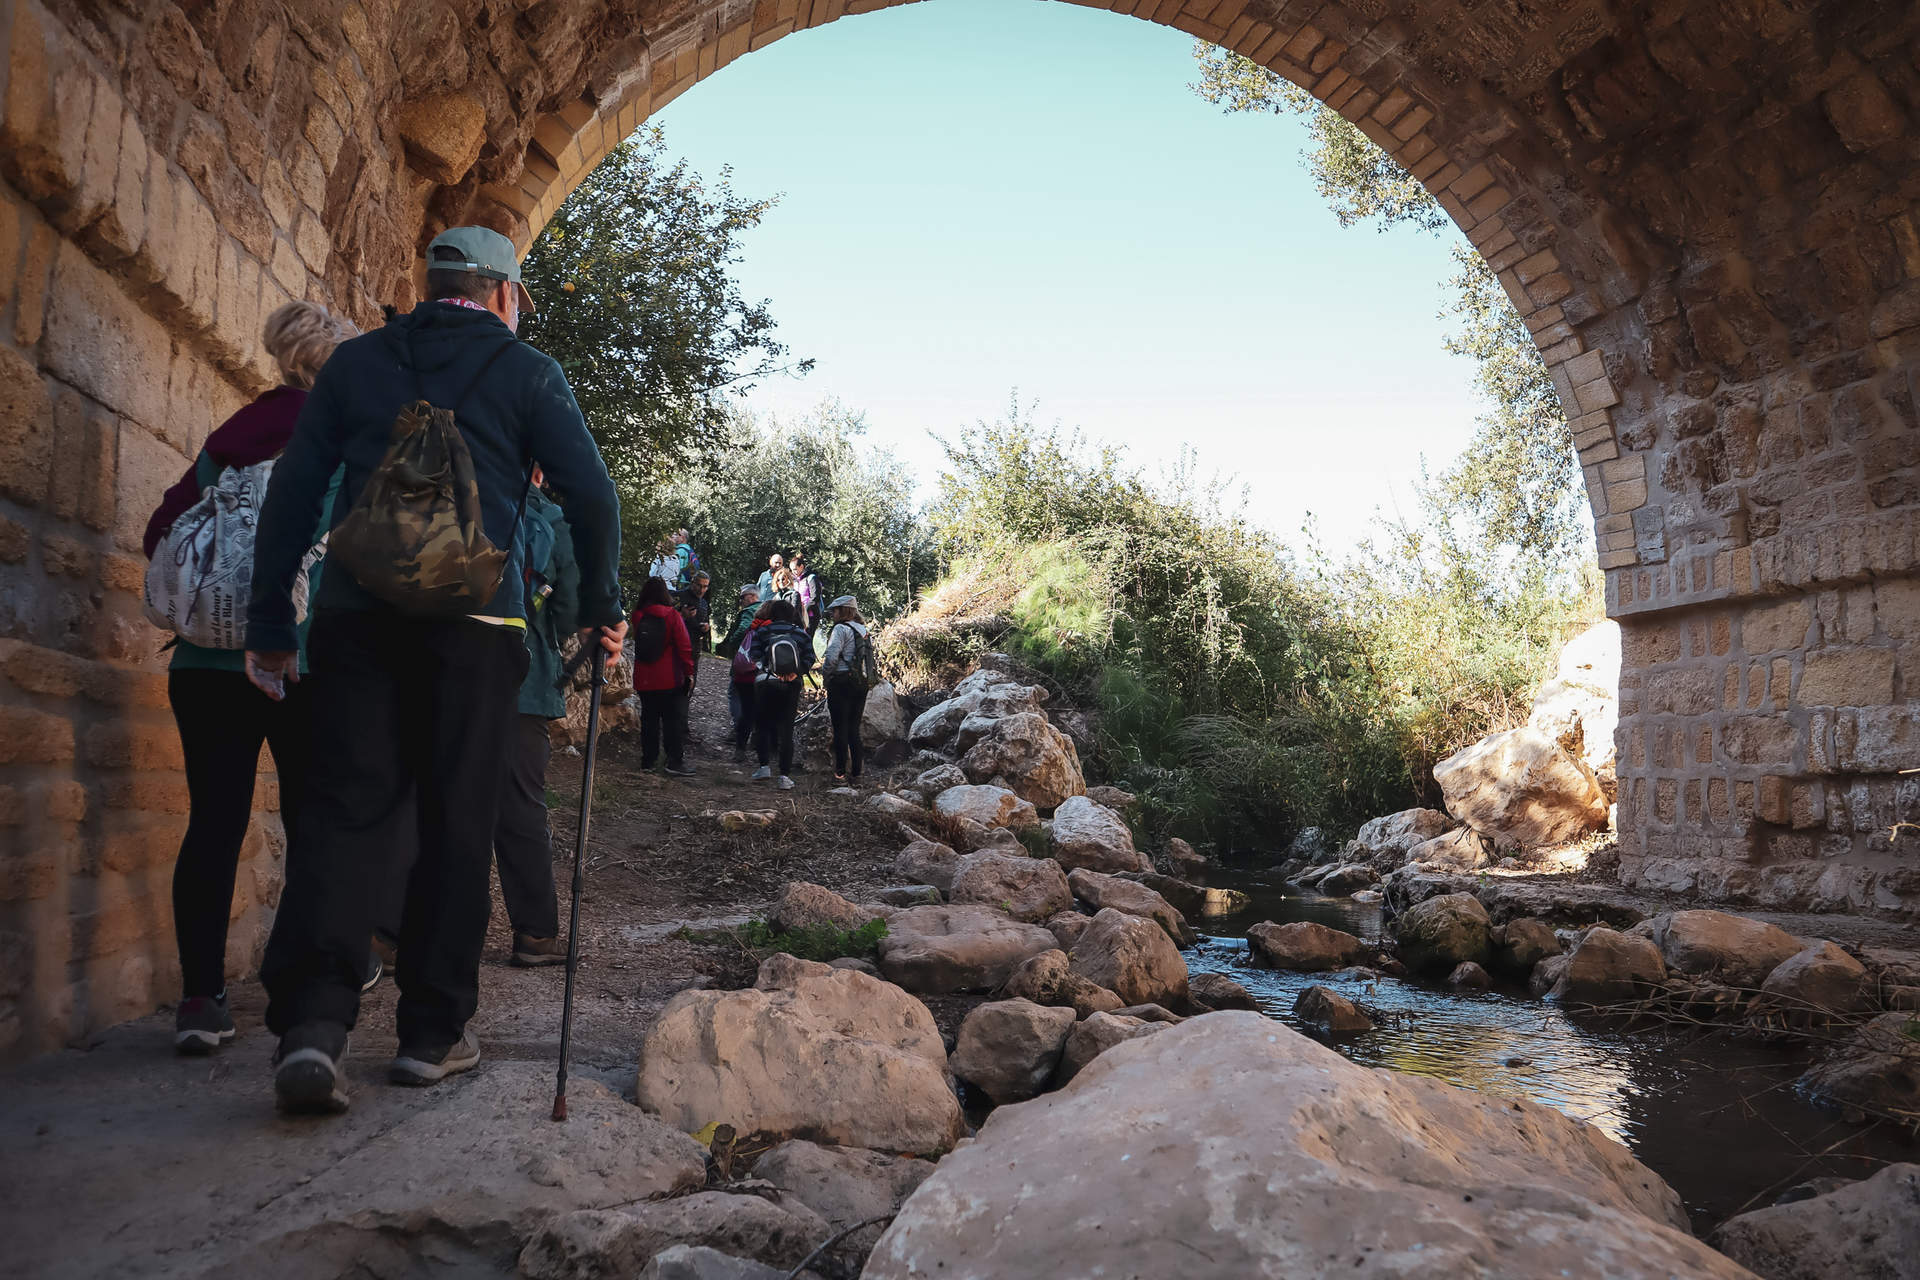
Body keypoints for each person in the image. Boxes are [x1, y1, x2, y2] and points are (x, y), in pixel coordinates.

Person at [245, 226, 626, 1115]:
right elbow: (593, 494)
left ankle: (312, 1024)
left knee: (344, 811)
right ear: (503, 295)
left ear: (430, 286)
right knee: (460, 818)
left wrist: (270, 622)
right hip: (476, 625)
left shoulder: (356, 365)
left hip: (354, 620)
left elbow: (298, 494)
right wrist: (603, 609)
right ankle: (432, 1035)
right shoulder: (527, 373)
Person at [142, 300, 357, 1055]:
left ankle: (200, 998)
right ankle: (305, 988)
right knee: (314, 827)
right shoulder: (342, 442)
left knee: (214, 823)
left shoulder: (227, 440)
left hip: (206, 664)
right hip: (304, 662)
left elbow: (158, 531)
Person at [492, 468, 578, 968]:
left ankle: (394, 935)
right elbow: (569, 612)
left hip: (443, 675)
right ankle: (535, 935)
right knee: (521, 806)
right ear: (540, 470)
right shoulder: (548, 517)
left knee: (435, 796)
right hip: (521, 679)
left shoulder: (447, 490)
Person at [631, 576, 695, 776]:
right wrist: (689, 672)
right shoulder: (672, 616)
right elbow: (684, 647)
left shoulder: (638, 615)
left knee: (649, 719)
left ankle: (648, 761)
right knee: (671, 721)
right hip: (669, 677)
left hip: (644, 677)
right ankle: (674, 761)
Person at [749, 599, 815, 790]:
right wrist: (796, 672)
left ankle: (763, 767)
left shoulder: (763, 631)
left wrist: (770, 670)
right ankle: (785, 776)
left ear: (771, 614)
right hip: (791, 685)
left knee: (762, 725)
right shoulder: (800, 634)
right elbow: (809, 657)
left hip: (766, 683)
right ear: (792, 615)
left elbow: (754, 655)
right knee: (786, 729)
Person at [820, 595, 872, 784]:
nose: (832, 614)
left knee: (840, 728)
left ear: (843, 611)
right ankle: (857, 773)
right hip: (861, 684)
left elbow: (832, 657)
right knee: (853, 729)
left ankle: (840, 773)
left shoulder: (840, 629)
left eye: (834, 610)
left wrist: (826, 678)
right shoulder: (864, 630)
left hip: (841, 682)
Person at [721, 588, 763, 764]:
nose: (741, 602)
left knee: (735, 693)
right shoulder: (766, 611)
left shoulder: (749, 612)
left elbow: (742, 630)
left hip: (744, 665)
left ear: (752, 596)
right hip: (760, 668)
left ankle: (738, 731)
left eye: (742, 598)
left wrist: (731, 645)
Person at [790, 552, 820, 633]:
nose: (793, 572)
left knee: (807, 638)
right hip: (798, 615)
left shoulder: (811, 578)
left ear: (801, 567)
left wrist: (805, 610)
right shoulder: (794, 580)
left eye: (795, 569)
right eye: (791, 570)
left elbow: (814, 598)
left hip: (810, 615)